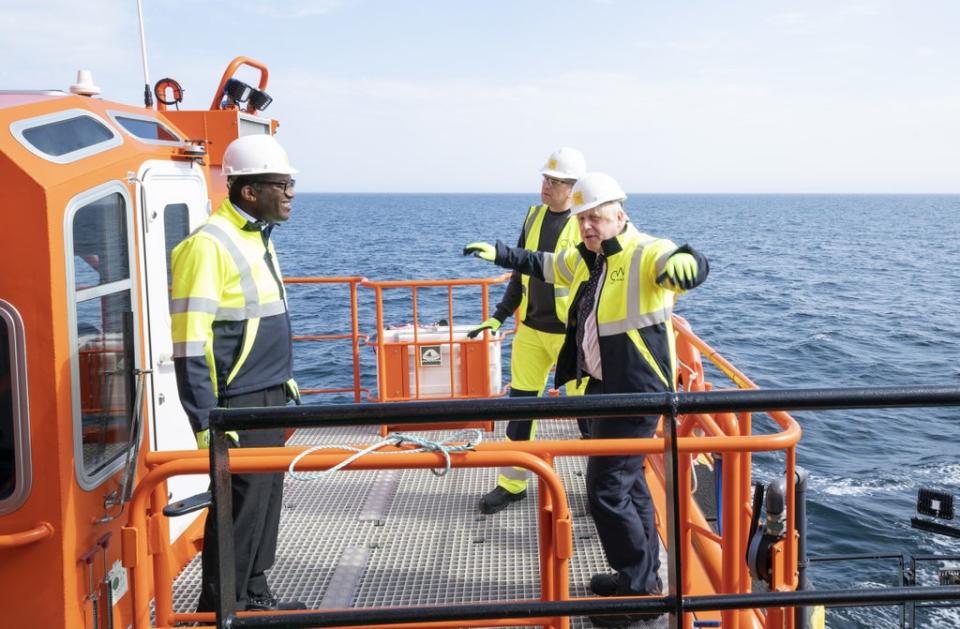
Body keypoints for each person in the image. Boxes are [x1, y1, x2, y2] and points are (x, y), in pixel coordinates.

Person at [463, 172, 708, 627]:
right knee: (629, 486)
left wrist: (689, 264)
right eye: (581, 219)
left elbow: (676, 257)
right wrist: (501, 253)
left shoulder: (642, 253)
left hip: (634, 394)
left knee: (605, 491)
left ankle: (637, 596)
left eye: (595, 216)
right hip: (603, 388)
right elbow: (550, 265)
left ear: (619, 213)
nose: (588, 226)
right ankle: (639, 576)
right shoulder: (588, 257)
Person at [170, 134, 305, 613]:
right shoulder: (208, 245)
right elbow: (189, 341)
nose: (290, 193)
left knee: (265, 498)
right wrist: (206, 418)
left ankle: (255, 594)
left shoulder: (256, 237)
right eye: (282, 184)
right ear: (249, 191)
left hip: (267, 393)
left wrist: (281, 377)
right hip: (235, 403)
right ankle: (221, 607)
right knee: (238, 507)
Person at [469, 147, 588, 515]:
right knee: (521, 408)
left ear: (573, 188)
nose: (546, 186)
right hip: (531, 331)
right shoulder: (534, 216)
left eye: (555, 181)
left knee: (590, 413)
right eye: (545, 178)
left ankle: (602, 486)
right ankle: (512, 483)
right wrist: (500, 315)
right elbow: (522, 270)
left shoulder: (584, 222)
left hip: (572, 336)